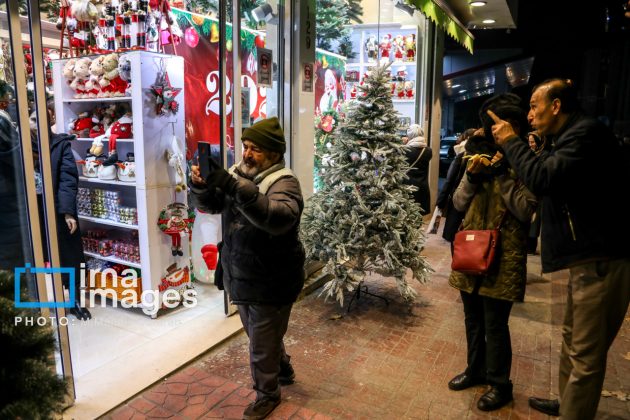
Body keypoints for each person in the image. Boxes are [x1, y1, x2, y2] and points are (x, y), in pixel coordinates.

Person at [488, 78, 630, 419]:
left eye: (535, 105)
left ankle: (574, 411)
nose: (530, 113)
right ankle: (568, 403)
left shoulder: (585, 135)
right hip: (589, 258)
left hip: (603, 258)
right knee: (571, 338)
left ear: (556, 106)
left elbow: (542, 179)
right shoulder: (566, 137)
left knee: (585, 352)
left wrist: (511, 141)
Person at [189, 117, 305, 420]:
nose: (247, 154)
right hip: (241, 274)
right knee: (261, 335)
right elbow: (211, 206)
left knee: (260, 343)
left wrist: (231, 184)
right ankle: (282, 369)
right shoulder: (237, 175)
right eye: (245, 146)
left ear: (274, 154)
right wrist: (200, 185)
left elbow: (276, 218)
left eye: (255, 149)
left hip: (272, 279)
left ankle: (267, 394)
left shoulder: (285, 182)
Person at [447, 93, 537, 412]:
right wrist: (472, 177)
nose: (490, 132)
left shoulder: (526, 160)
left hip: (504, 255)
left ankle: (500, 384)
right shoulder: (475, 155)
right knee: (473, 319)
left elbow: (526, 210)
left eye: (496, 125)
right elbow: (457, 203)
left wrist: (502, 175)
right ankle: (476, 370)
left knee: (495, 325)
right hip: (472, 248)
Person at [437, 128, 476, 250]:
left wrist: (441, 202)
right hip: (471, 203)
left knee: (456, 238)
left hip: (458, 200)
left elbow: (449, 180)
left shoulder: (462, 155)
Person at [525, 131, 547, 254]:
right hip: (528, 190)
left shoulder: (544, 155)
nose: (531, 145)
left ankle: (531, 246)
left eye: (533, 142)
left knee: (535, 221)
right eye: (529, 142)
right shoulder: (530, 154)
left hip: (538, 193)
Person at [402, 124, 432, 216]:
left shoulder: (405, 150)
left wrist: (404, 144)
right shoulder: (428, 150)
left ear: (409, 136)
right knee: (418, 215)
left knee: (406, 215)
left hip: (407, 187)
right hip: (422, 187)